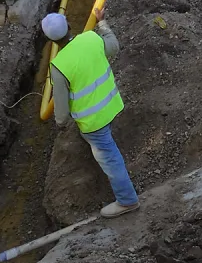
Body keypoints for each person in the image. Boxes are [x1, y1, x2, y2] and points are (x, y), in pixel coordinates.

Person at [42, 11, 139, 216]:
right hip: (112, 105)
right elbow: (113, 46)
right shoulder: (91, 37)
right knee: (107, 144)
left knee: (111, 159)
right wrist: (102, 22)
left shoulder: (58, 66)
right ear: (69, 26)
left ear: (51, 40)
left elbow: (61, 110)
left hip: (93, 123)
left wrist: (60, 124)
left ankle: (127, 200)